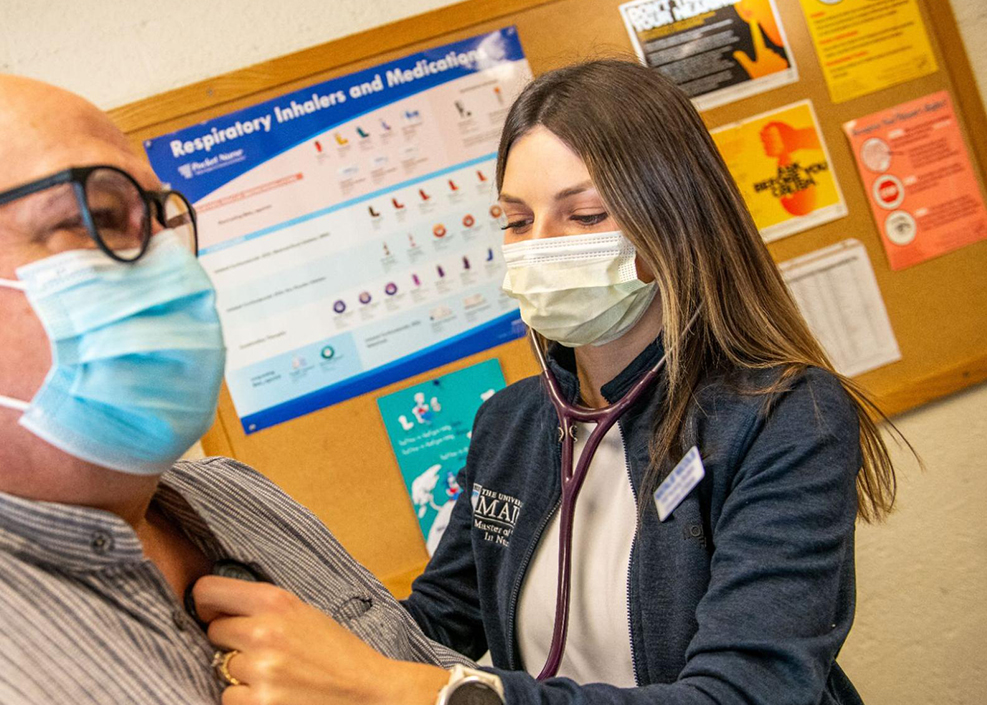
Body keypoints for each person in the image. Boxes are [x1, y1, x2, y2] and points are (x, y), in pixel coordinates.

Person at [192, 59, 907, 704]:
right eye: (515, 221)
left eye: (584, 215)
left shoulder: (785, 416)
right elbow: (441, 616)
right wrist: (303, 647)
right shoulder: (509, 422)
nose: (537, 249)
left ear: (673, 220)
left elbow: (746, 692)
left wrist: (438, 695)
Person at [0, 74, 471, 705]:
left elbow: (425, 671)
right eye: (97, 219)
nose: (171, 265)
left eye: (161, 218)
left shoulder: (240, 494)